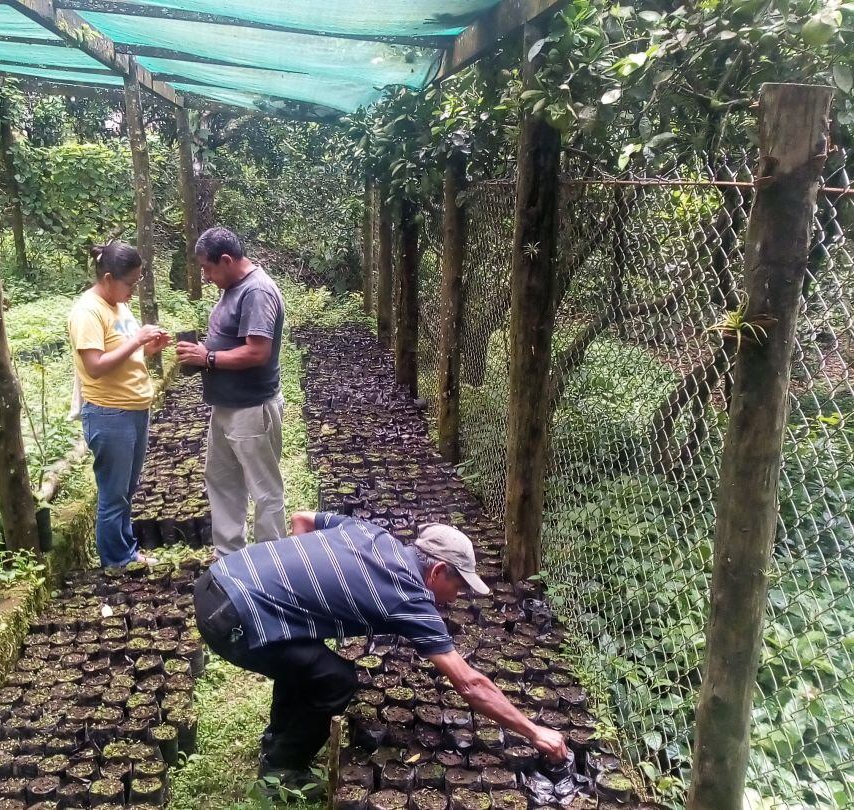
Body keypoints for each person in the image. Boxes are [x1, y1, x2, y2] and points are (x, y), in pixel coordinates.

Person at [193, 511, 569, 792]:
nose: (456, 598)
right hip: (231, 622)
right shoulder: (409, 598)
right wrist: (534, 731)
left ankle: (277, 739)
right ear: (437, 571)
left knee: (307, 661)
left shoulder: (371, 533)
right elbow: (469, 684)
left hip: (218, 578)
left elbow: (302, 519)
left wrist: (302, 599)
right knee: (335, 681)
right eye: (458, 586)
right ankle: (280, 773)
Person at [175, 227, 286, 557]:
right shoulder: (233, 288)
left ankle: (271, 563)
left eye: (208, 269)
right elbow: (230, 341)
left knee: (264, 489)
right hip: (226, 407)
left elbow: (257, 352)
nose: (206, 277)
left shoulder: (257, 291)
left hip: (251, 408)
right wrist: (201, 352)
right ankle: (229, 558)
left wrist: (207, 358)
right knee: (222, 481)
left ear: (226, 260)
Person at [68, 241, 169, 567]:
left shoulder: (119, 305)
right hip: (110, 413)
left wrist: (148, 347)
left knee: (127, 488)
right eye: (130, 284)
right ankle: (116, 561)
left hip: (135, 409)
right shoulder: (88, 312)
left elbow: (125, 353)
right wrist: (137, 339)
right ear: (109, 279)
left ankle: (127, 551)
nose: (134, 290)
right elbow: (95, 367)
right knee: (113, 493)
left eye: (138, 282)